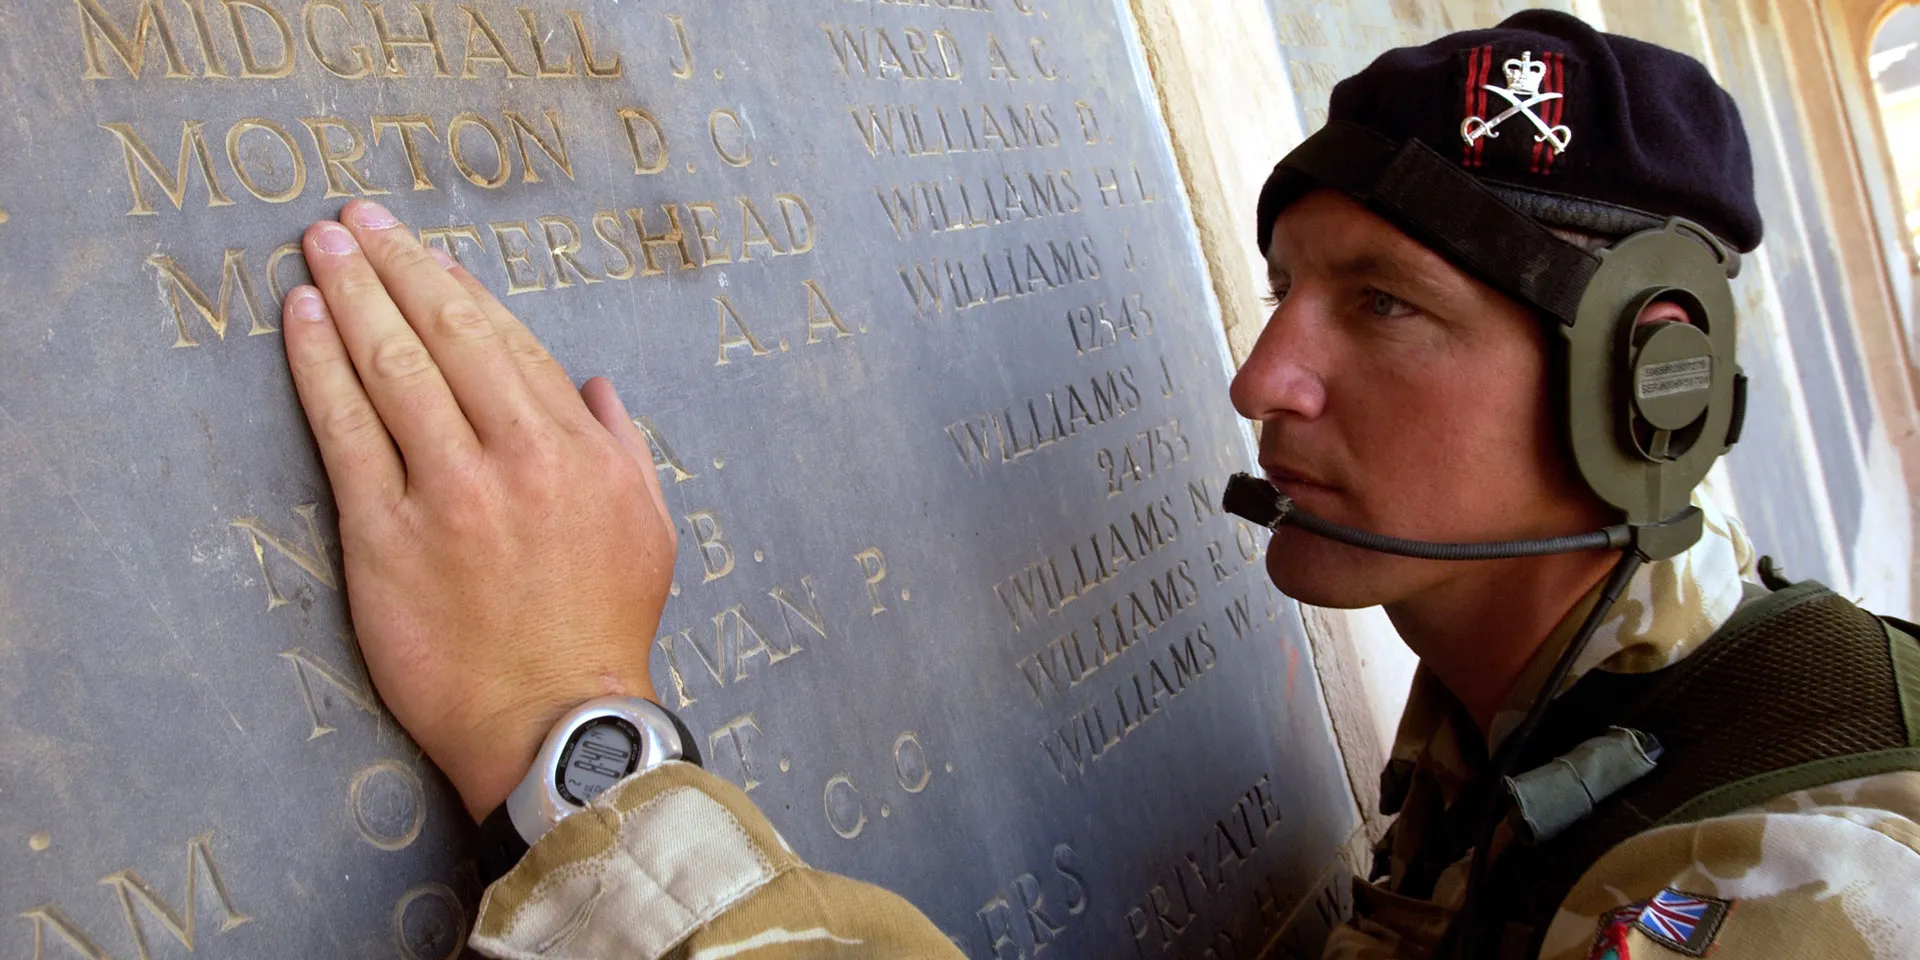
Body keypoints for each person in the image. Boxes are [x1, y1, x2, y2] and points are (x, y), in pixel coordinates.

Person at [273, 10, 1920, 960]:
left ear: (1648, 396)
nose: (1262, 379)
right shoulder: (1525, 731)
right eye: (1281, 292)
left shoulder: (1808, 878)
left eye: (1385, 308)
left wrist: (573, 741)